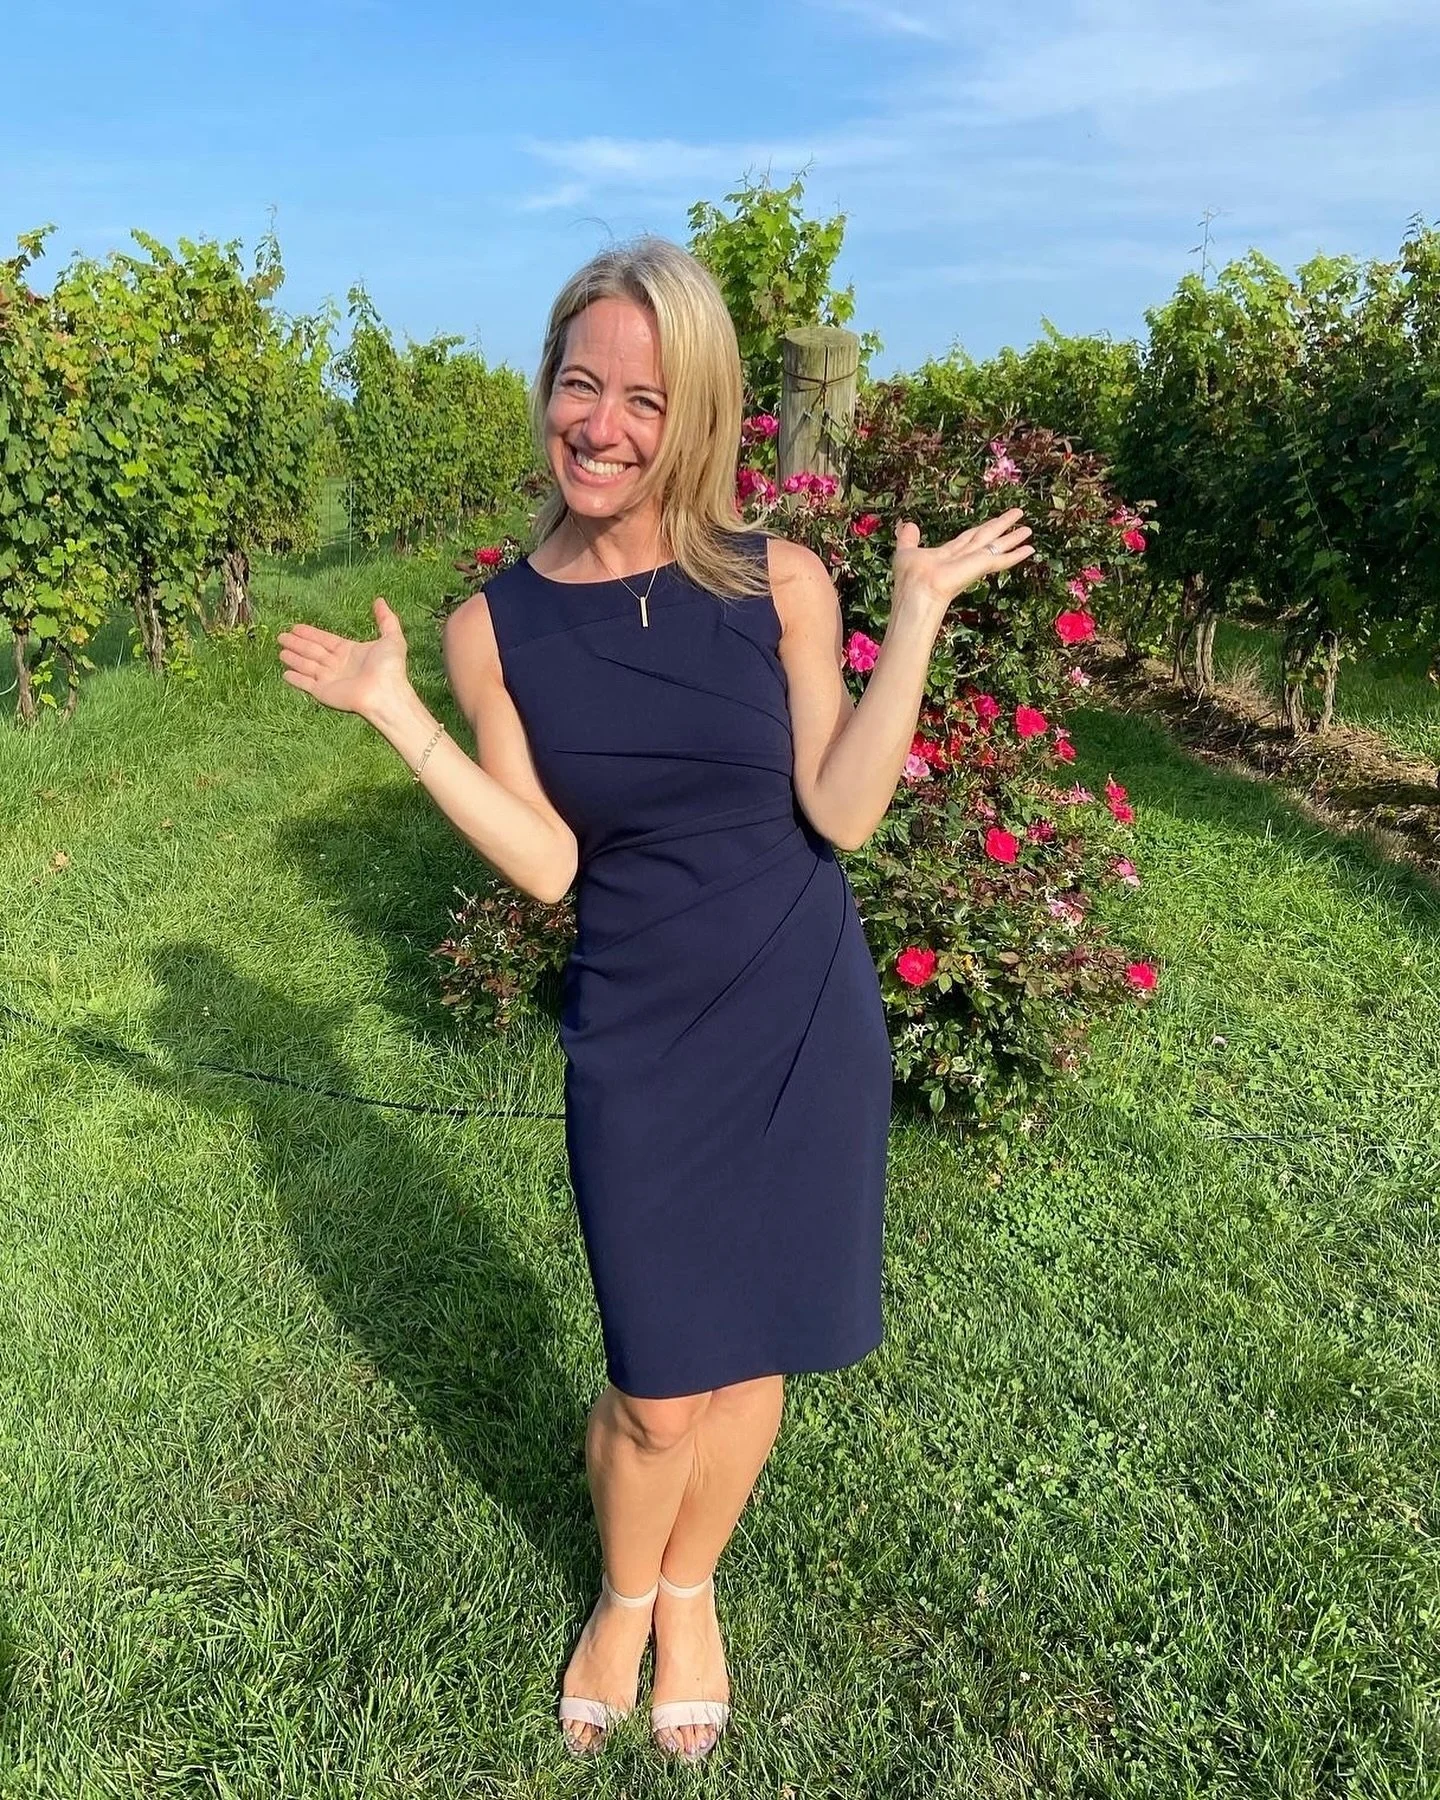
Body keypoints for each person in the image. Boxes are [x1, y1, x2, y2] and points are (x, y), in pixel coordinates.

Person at [277, 236, 1031, 1763]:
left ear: (696, 417)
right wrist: (399, 714)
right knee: (654, 1388)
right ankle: (623, 1592)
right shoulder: (492, 628)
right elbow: (548, 863)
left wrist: (915, 615)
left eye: (646, 398)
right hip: (641, 1033)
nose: (604, 425)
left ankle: (690, 1588)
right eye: (582, 384)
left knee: (753, 1353)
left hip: (800, 1015)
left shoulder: (781, 581)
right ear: (546, 390)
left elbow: (841, 810)